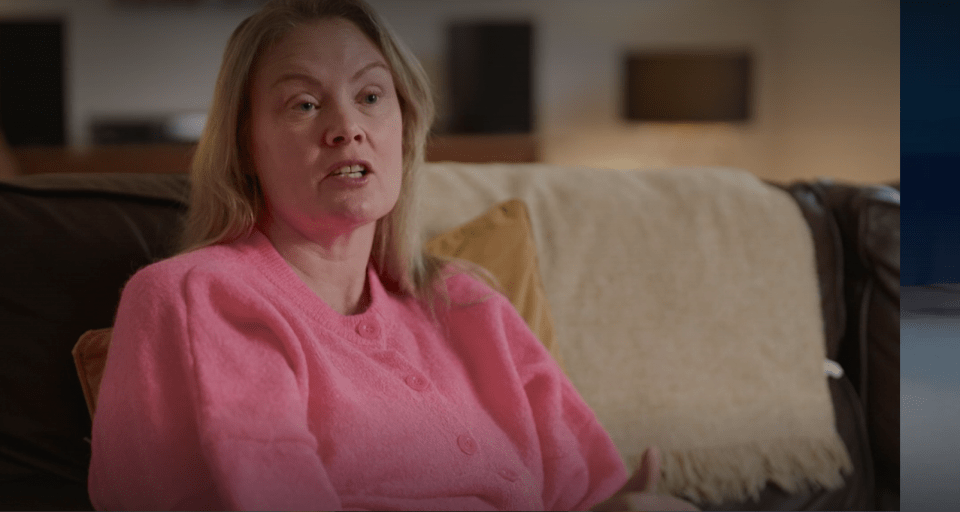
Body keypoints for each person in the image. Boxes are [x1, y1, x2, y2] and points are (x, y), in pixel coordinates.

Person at [87, 0, 698, 510]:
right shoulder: (198, 295)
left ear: (405, 127)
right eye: (303, 103)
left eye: (371, 96)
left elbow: (592, 493)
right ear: (244, 146)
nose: (346, 126)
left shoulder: (464, 298)